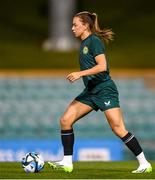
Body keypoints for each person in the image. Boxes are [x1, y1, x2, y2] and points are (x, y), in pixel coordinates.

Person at [48, 11, 152, 173]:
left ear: (85, 25)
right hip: (90, 91)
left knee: (118, 129)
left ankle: (144, 163)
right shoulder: (83, 43)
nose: (72, 28)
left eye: (75, 24)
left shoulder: (94, 41)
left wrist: (79, 73)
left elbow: (102, 67)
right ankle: (67, 162)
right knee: (65, 120)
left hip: (104, 90)